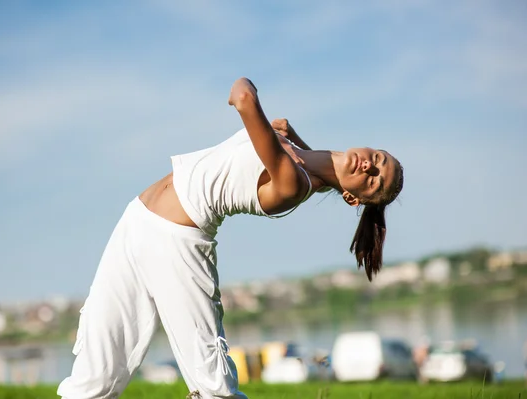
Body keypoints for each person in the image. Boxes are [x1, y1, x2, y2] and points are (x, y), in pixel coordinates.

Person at [57, 77, 404, 399]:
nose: (368, 167)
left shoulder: (293, 183)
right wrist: (294, 139)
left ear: (353, 199)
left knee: (213, 385)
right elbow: (318, 167)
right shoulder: (300, 158)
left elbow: (243, 96)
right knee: (94, 373)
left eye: (374, 179)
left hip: (178, 245)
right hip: (136, 221)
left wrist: (264, 116)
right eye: (377, 159)